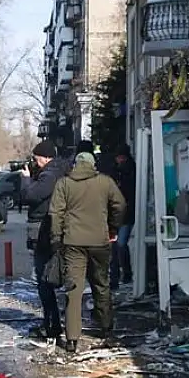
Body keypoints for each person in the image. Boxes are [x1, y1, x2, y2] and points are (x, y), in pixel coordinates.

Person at [50, 151, 126, 353]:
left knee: (73, 290)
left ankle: (72, 339)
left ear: (75, 164)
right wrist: (113, 227)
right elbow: (120, 205)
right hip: (100, 241)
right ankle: (107, 330)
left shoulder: (64, 183)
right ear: (94, 164)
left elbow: (55, 213)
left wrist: (57, 239)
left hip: (73, 242)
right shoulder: (105, 182)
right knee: (101, 284)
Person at [22, 141, 71, 343]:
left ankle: (52, 325)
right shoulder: (60, 172)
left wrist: (25, 180)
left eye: (36, 158)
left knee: (44, 279)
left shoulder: (50, 175)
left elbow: (30, 196)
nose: (34, 161)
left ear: (45, 157)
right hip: (54, 230)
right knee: (51, 277)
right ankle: (55, 323)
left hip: (45, 231)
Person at [109, 144, 137, 291]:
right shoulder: (115, 171)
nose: (119, 160)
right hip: (117, 214)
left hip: (125, 214)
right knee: (115, 245)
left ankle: (125, 273)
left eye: (122, 157)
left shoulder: (131, 171)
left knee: (119, 244)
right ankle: (117, 276)